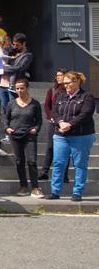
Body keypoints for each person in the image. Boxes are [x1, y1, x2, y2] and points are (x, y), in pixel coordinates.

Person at [46, 71, 96, 202]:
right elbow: (54, 112)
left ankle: (77, 192)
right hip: (61, 135)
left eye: (68, 83)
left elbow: (85, 114)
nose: (65, 85)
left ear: (77, 82)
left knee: (79, 164)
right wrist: (61, 122)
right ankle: (55, 192)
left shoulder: (87, 96)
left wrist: (70, 124)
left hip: (81, 135)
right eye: (64, 83)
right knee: (58, 163)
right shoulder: (60, 96)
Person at [5, 79, 44, 197]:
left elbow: (39, 121)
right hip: (15, 135)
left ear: (27, 88)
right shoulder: (11, 103)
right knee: (19, 161)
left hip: (29, 135)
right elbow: (6, 119)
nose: (20, 91)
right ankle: (23, 186)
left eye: (22, 88)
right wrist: (7, 128)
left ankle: (35, 187)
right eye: (17, 88)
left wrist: (35, 129)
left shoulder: (35, 104)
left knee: (31, 161)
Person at [38, 69, 69, 181]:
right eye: (57, 75)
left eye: (61, 75)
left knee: (65, 148)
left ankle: (64, 174)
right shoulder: (52, 90)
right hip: (53, 122)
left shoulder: (68, 90)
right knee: (50, 147)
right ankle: (44, 171)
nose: (58, 77)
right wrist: (51, 116)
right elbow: (47, 105)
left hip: (66, 123)